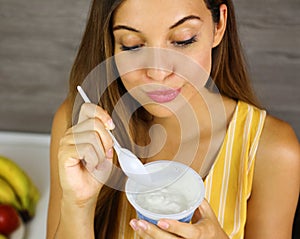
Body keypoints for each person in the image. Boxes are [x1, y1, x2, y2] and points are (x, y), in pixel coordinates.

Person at [46, 0, 300, 238]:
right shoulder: (81, 129)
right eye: (132, 45)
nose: (158, 71)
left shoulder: (272, 152)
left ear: (218, 26)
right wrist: (78, 204)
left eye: (183, 40)